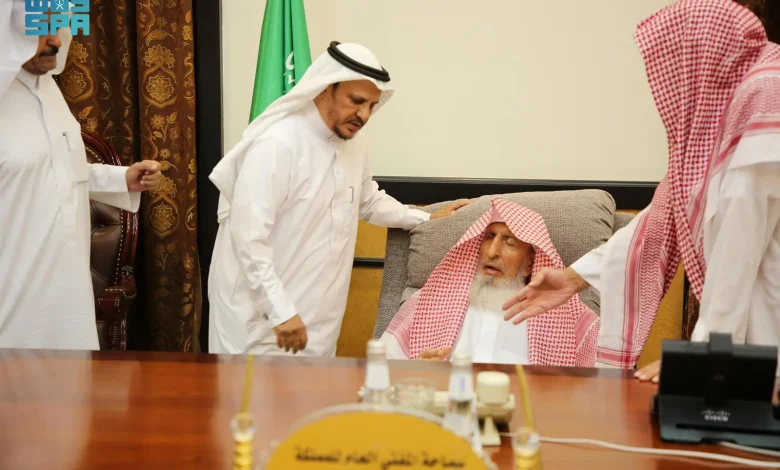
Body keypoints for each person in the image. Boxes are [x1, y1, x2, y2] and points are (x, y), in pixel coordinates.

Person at [502, 0, 780, 378]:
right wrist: (571, 278)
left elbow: (738, 248)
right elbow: (656, 224)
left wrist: (703, 355)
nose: (676, 79)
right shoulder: (731, 109)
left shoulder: (765, 95)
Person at [208, 41, 469, 357]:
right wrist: (280, 311)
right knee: (253, 391)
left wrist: (424, 218)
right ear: (322, 89)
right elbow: (248, 238)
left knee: (315, 389)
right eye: (356, 101)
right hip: (261, 320)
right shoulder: (277, 144)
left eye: (371, 105)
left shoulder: (355, 143)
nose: (364, 114)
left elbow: (366, 200)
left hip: (318, 319)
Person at [0, 3, 161, 350]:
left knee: (72, 377)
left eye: (58, 27)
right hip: (13, 292)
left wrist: (122, 179)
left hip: (67, 292)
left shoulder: (49, 93)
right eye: (41, 29)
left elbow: (57, 170)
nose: (56, 41)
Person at [381, 198, 599, 366]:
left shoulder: (570, 320)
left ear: (531, 262)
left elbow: (597, 390)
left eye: (509, 242)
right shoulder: (428, 301)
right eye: (489, 237)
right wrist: (416, 372)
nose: (492, 252)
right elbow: (383, 369)